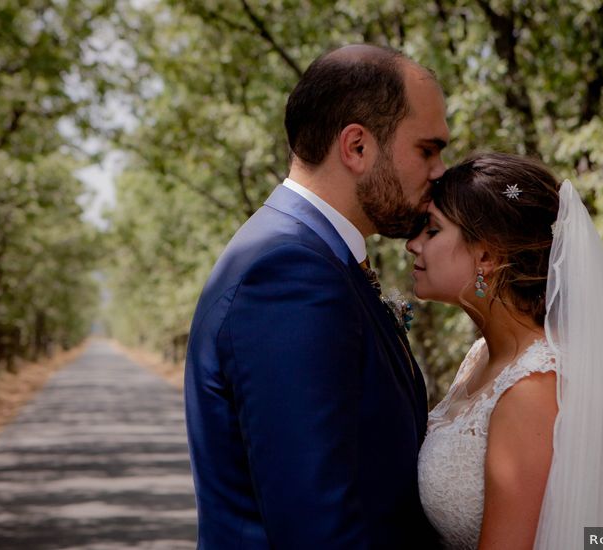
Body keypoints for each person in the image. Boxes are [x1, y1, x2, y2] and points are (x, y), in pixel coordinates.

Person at [183, 44, 449, 547]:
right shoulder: (289, 272)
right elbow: (316, 527)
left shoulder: (314, 258)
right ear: (356, 147)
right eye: (427, 149)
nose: (439, 170)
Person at [408, 152, 603, 549]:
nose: (412, 245)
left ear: (487, 256)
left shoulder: (531, 388)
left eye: (431, 230)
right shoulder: (480, 357)